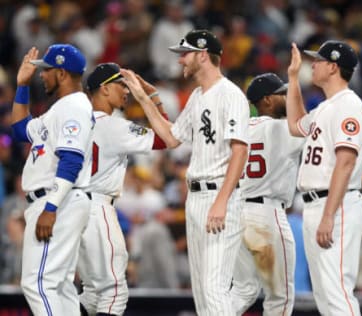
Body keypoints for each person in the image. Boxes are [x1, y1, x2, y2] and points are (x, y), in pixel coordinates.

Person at [120, 29, 250, 315]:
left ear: (203, 55)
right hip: (196, 198)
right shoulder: (197, 96)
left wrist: (222, 201)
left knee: (215, 289)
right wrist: (144, 97)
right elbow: (171, 138)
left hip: (219, 196)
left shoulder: (231, 95)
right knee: (203, 292)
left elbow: (240, 152)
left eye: (185, 54)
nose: (181, 61)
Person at [77, 63, 168, 316]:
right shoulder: (114, 125)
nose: (126, 90)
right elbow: (167, 137)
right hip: (97, 208)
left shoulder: (73, 123)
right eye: (121, 85)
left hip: (73, 208)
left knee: (92, 293)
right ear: (104, 90)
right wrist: (152, 97)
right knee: (114, 292)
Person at [286, 40, 362, 315]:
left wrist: (329, 215)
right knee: (324, 295)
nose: (313, 64)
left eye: (318, 60)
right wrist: (293, 78)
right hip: (317, 204)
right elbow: (296, 125)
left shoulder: (349, 105)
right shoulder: (325, 106)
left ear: (333, 67)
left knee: (337, 292)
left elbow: (345, 163)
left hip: (337, 204)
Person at [11, 44, 94, 315]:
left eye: (46, 71)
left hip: (58, 199)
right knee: (59, 286)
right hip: (61, 199)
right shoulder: (60, 109)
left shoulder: (74, 107)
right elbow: (21, 130)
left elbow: (71, 161)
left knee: (38, 283)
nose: (41, 76)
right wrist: (21, 86)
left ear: (61, 73)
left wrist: (51, 208)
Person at [230, 73, 305, 315]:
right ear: (267, 100)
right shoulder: (283, 129)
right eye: (281, 93)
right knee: (280, 297)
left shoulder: (237, 131)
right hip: (268, 215)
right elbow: (307, 125)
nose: (287, 97)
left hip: (238, 214)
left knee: (243, 289)